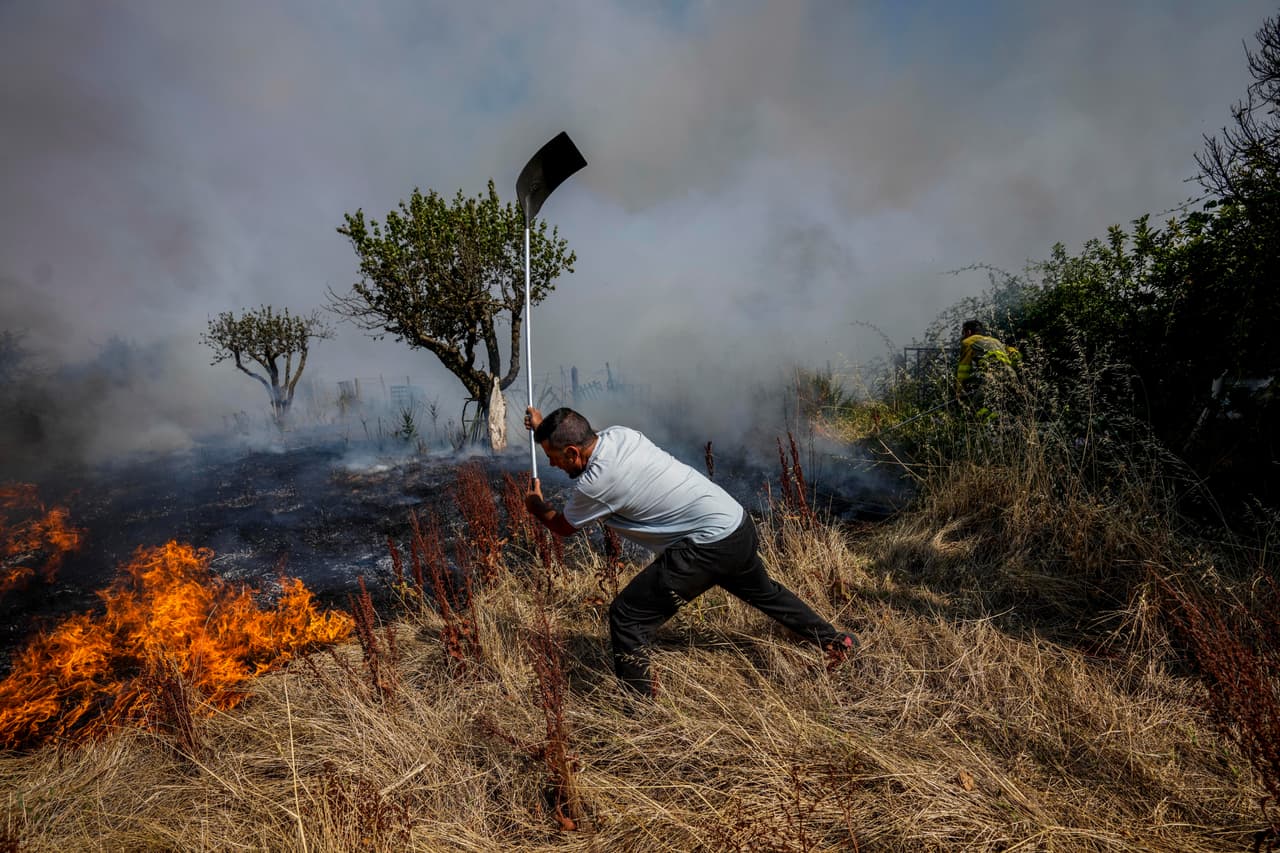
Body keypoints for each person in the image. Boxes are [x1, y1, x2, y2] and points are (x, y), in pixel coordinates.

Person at [523, 406, 856, 698]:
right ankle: (836, 640)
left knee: (628, 617)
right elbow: (577, 433)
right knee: (765, 592)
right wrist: (542, 428)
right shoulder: (621, 435)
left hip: (707, 546)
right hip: (735, 523)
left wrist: (536, 505)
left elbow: (563, 527)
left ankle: (638, 713)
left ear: (572, 452)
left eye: (553, 457)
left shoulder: (595, 483)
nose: (551, 464)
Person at [955, 319, 1020, 421]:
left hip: (995, 377)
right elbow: (1013, 353)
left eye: (963, 333)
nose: (963, 336)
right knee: (1004, 407)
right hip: (1012, 376)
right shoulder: (995, 341)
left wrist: (960, 391)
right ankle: (1004, 425)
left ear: (968, 332)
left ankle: (991, 426)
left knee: (976, 409)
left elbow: (964, 369)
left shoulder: (968, 342)